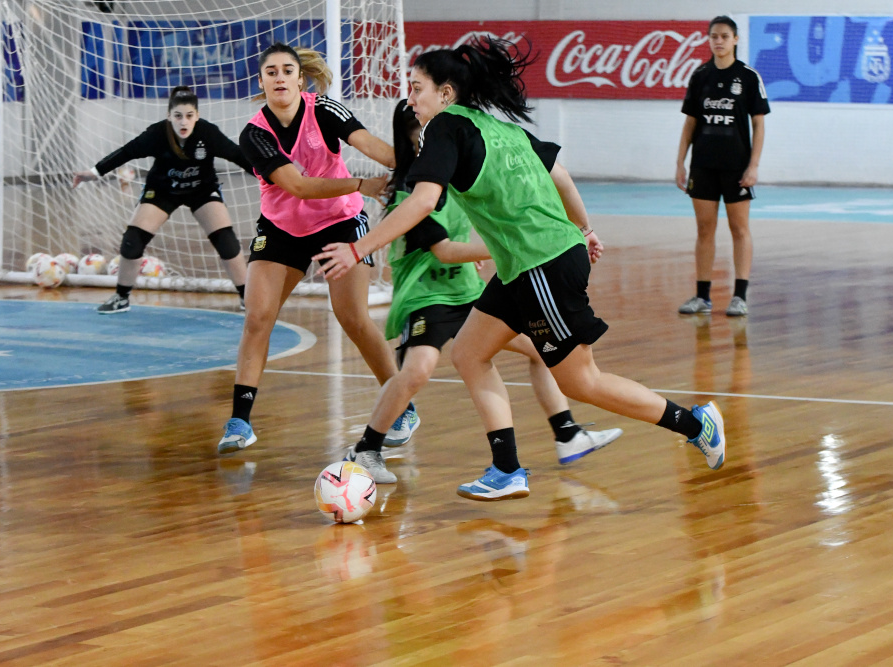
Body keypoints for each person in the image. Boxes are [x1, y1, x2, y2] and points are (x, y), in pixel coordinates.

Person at [315, 37, 726, 501]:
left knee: (581, 380)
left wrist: (357, 249)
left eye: (417, 88)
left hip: (541, 264)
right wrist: (584, 228)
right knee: (469, 353)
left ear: (446, 94)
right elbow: (561, 176)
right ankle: (506, 468)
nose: (409, 99)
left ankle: (695, 424)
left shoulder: (446, 128)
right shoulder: (501, 129)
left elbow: (424, 200)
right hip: (529, 264)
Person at [340, 101, 623, 483]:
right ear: (412, 138)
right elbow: (445, 251)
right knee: (417, 371)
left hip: (468, 291)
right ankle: (366, 449)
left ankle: (567, 434)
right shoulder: (411, 191)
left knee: (541, 351)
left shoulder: (454, 175)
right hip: (427, 296)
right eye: (423, 131)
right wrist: (516, 245)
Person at [216, 43, 416, 454]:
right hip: (282, 226)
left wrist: (420, 158)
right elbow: (299, 187)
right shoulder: (254, 133)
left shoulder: (324, 108)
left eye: (286, 70)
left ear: (299, 78)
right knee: (257, 317)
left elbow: (376, 149)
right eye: (270, 72)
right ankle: (240, 421)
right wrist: (363, 184)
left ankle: (403, 406)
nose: (279, 77)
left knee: (354, 318)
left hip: (340, 220)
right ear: (261, 81)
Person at [73, 85, 253, 314]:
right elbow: (126, 152)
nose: (183, 122)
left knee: (227, 241)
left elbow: (239, 156)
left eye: (189, 116)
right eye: (178, 116)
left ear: (197, 116)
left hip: (202, 190)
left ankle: (248, 298)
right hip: (162, 190)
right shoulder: (157, 134)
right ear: (169, 116)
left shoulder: (208, 133)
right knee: (132, 242)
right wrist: (95, 172)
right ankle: (121, 298)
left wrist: (272, 177)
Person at [675, 15, 770, 317]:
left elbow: (759, 124)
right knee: (705, 229)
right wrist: (681, 162)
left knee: (739, 228)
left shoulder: (749, 77)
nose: (718, 41)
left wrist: (753, 165)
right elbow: (690, 123)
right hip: (703, 165)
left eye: (725, 36)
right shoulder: (700, 75)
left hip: (736, 167)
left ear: (735, 39)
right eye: (714, 36)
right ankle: (702, 297)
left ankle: (739, 296)